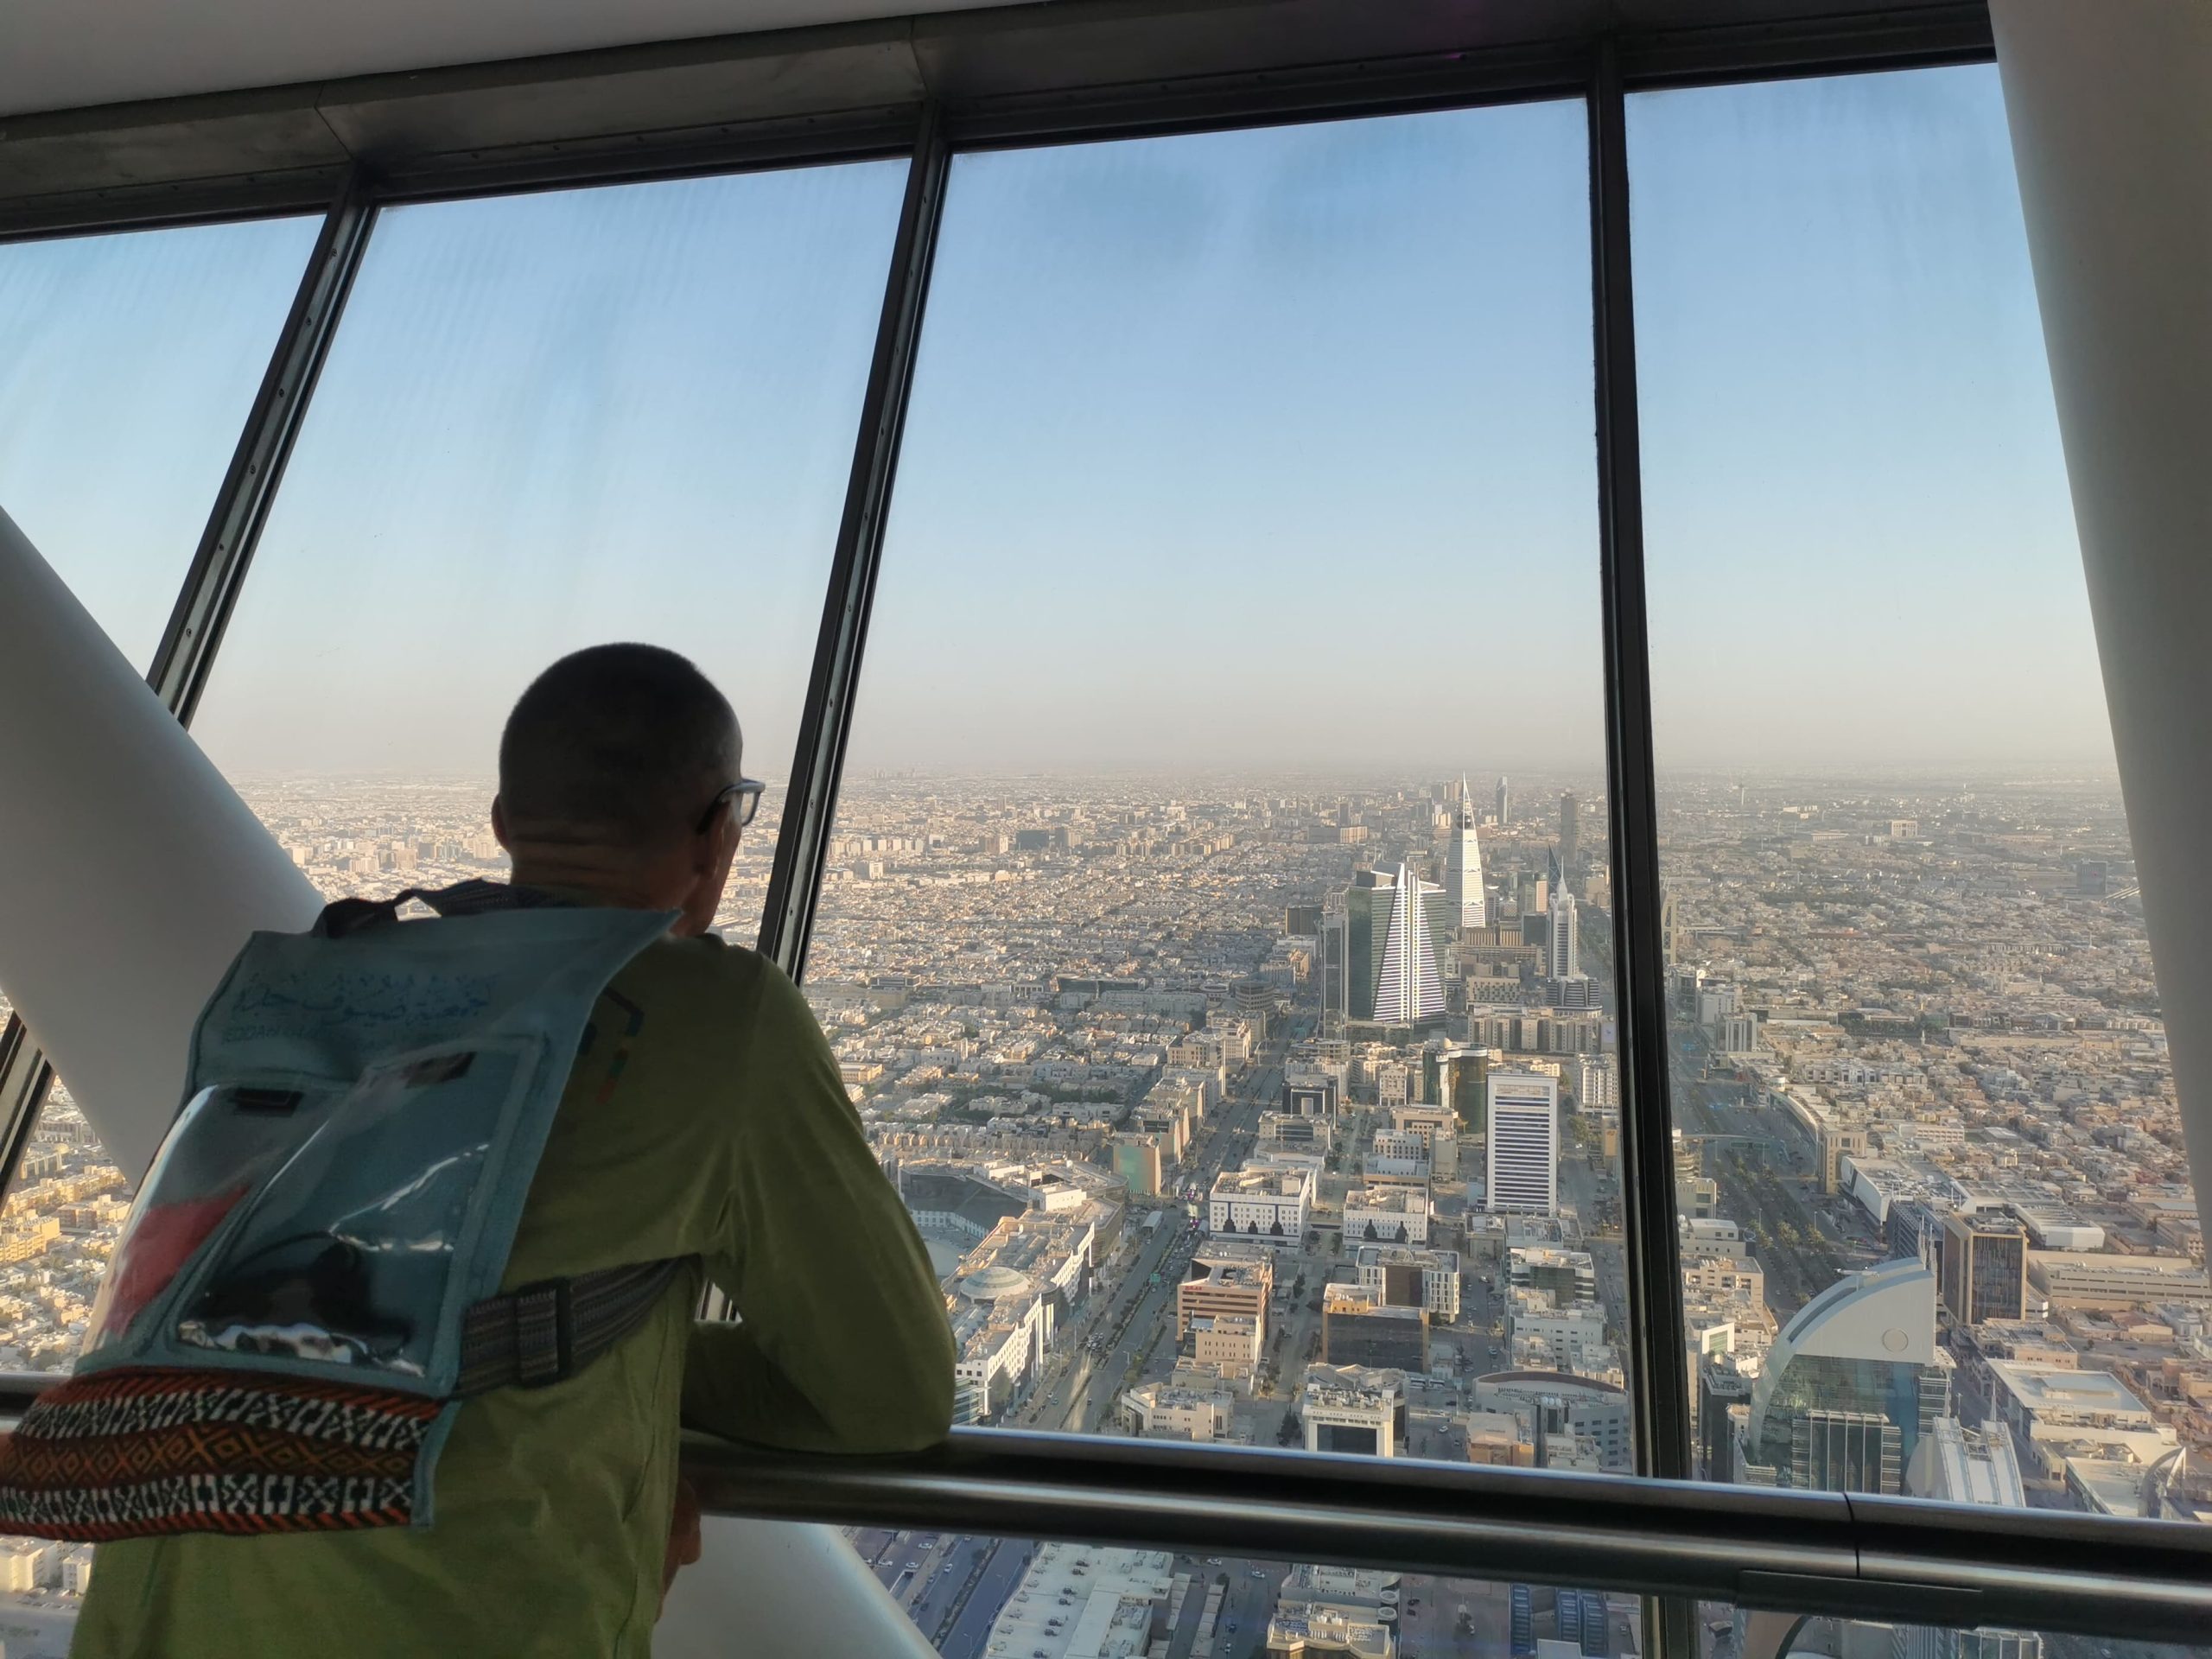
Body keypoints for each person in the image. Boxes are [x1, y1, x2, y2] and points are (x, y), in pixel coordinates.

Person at [72, 644, 954, 1657]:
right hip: (451, 1615)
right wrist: (647, 1360)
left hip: (156, 1596)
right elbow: (891, 1392)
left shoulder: (334, 971)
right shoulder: (717, 1019)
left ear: (502, 824)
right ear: (719, 833)